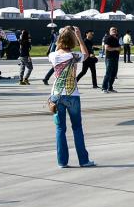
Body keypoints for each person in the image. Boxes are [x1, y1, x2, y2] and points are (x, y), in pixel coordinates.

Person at [48, 25, 96, 168]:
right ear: (72, 40)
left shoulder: (53, 56)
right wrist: (80, 37)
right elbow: (86, 54)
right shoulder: (74, 56)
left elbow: (54, 50)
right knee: (77, 127)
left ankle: (62, 161)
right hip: (72, 95)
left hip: (56, 95)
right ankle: (83, 160)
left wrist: (60, 35)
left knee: (60, 129)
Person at [100, 27, 121, 92]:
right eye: (112, 30)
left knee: (114, 74)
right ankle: (104, 88)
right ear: (109, 31)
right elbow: (107, 48)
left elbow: (118, 47)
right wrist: (116, 49)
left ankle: (110, 87)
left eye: (115, 30)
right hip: (109, 58)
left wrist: (119, 48)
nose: (114, 31)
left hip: (115, 58)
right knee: (108, 73)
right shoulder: (108, 38)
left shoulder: (116, 39)